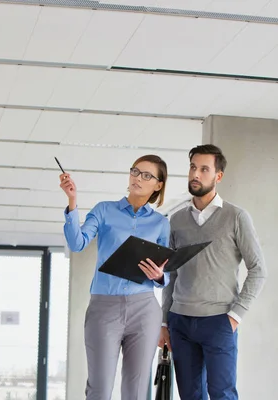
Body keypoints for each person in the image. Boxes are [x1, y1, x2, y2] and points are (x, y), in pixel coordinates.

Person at [159, 144, 267, 400]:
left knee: (222, 394)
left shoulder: (236, 217)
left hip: (219, 320)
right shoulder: (176, 221)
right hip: (180, 322)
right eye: (193, 167)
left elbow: (258, 270)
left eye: (204, 169)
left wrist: (235, 316)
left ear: (218, 176)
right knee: (189, 395)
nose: (196, 174)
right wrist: (165, 322)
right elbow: (170, 275)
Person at [60, 155, 171, 400]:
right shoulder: (104, 210)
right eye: (135, 171)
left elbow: (167, 275)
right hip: (104, 308)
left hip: (144, 309)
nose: (137, 178)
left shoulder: (161, 223)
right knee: (99, 389)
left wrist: (160, 276)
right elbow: (77, 243)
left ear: (158, 185)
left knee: (137, 391)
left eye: (146, 175)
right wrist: (72, 202)